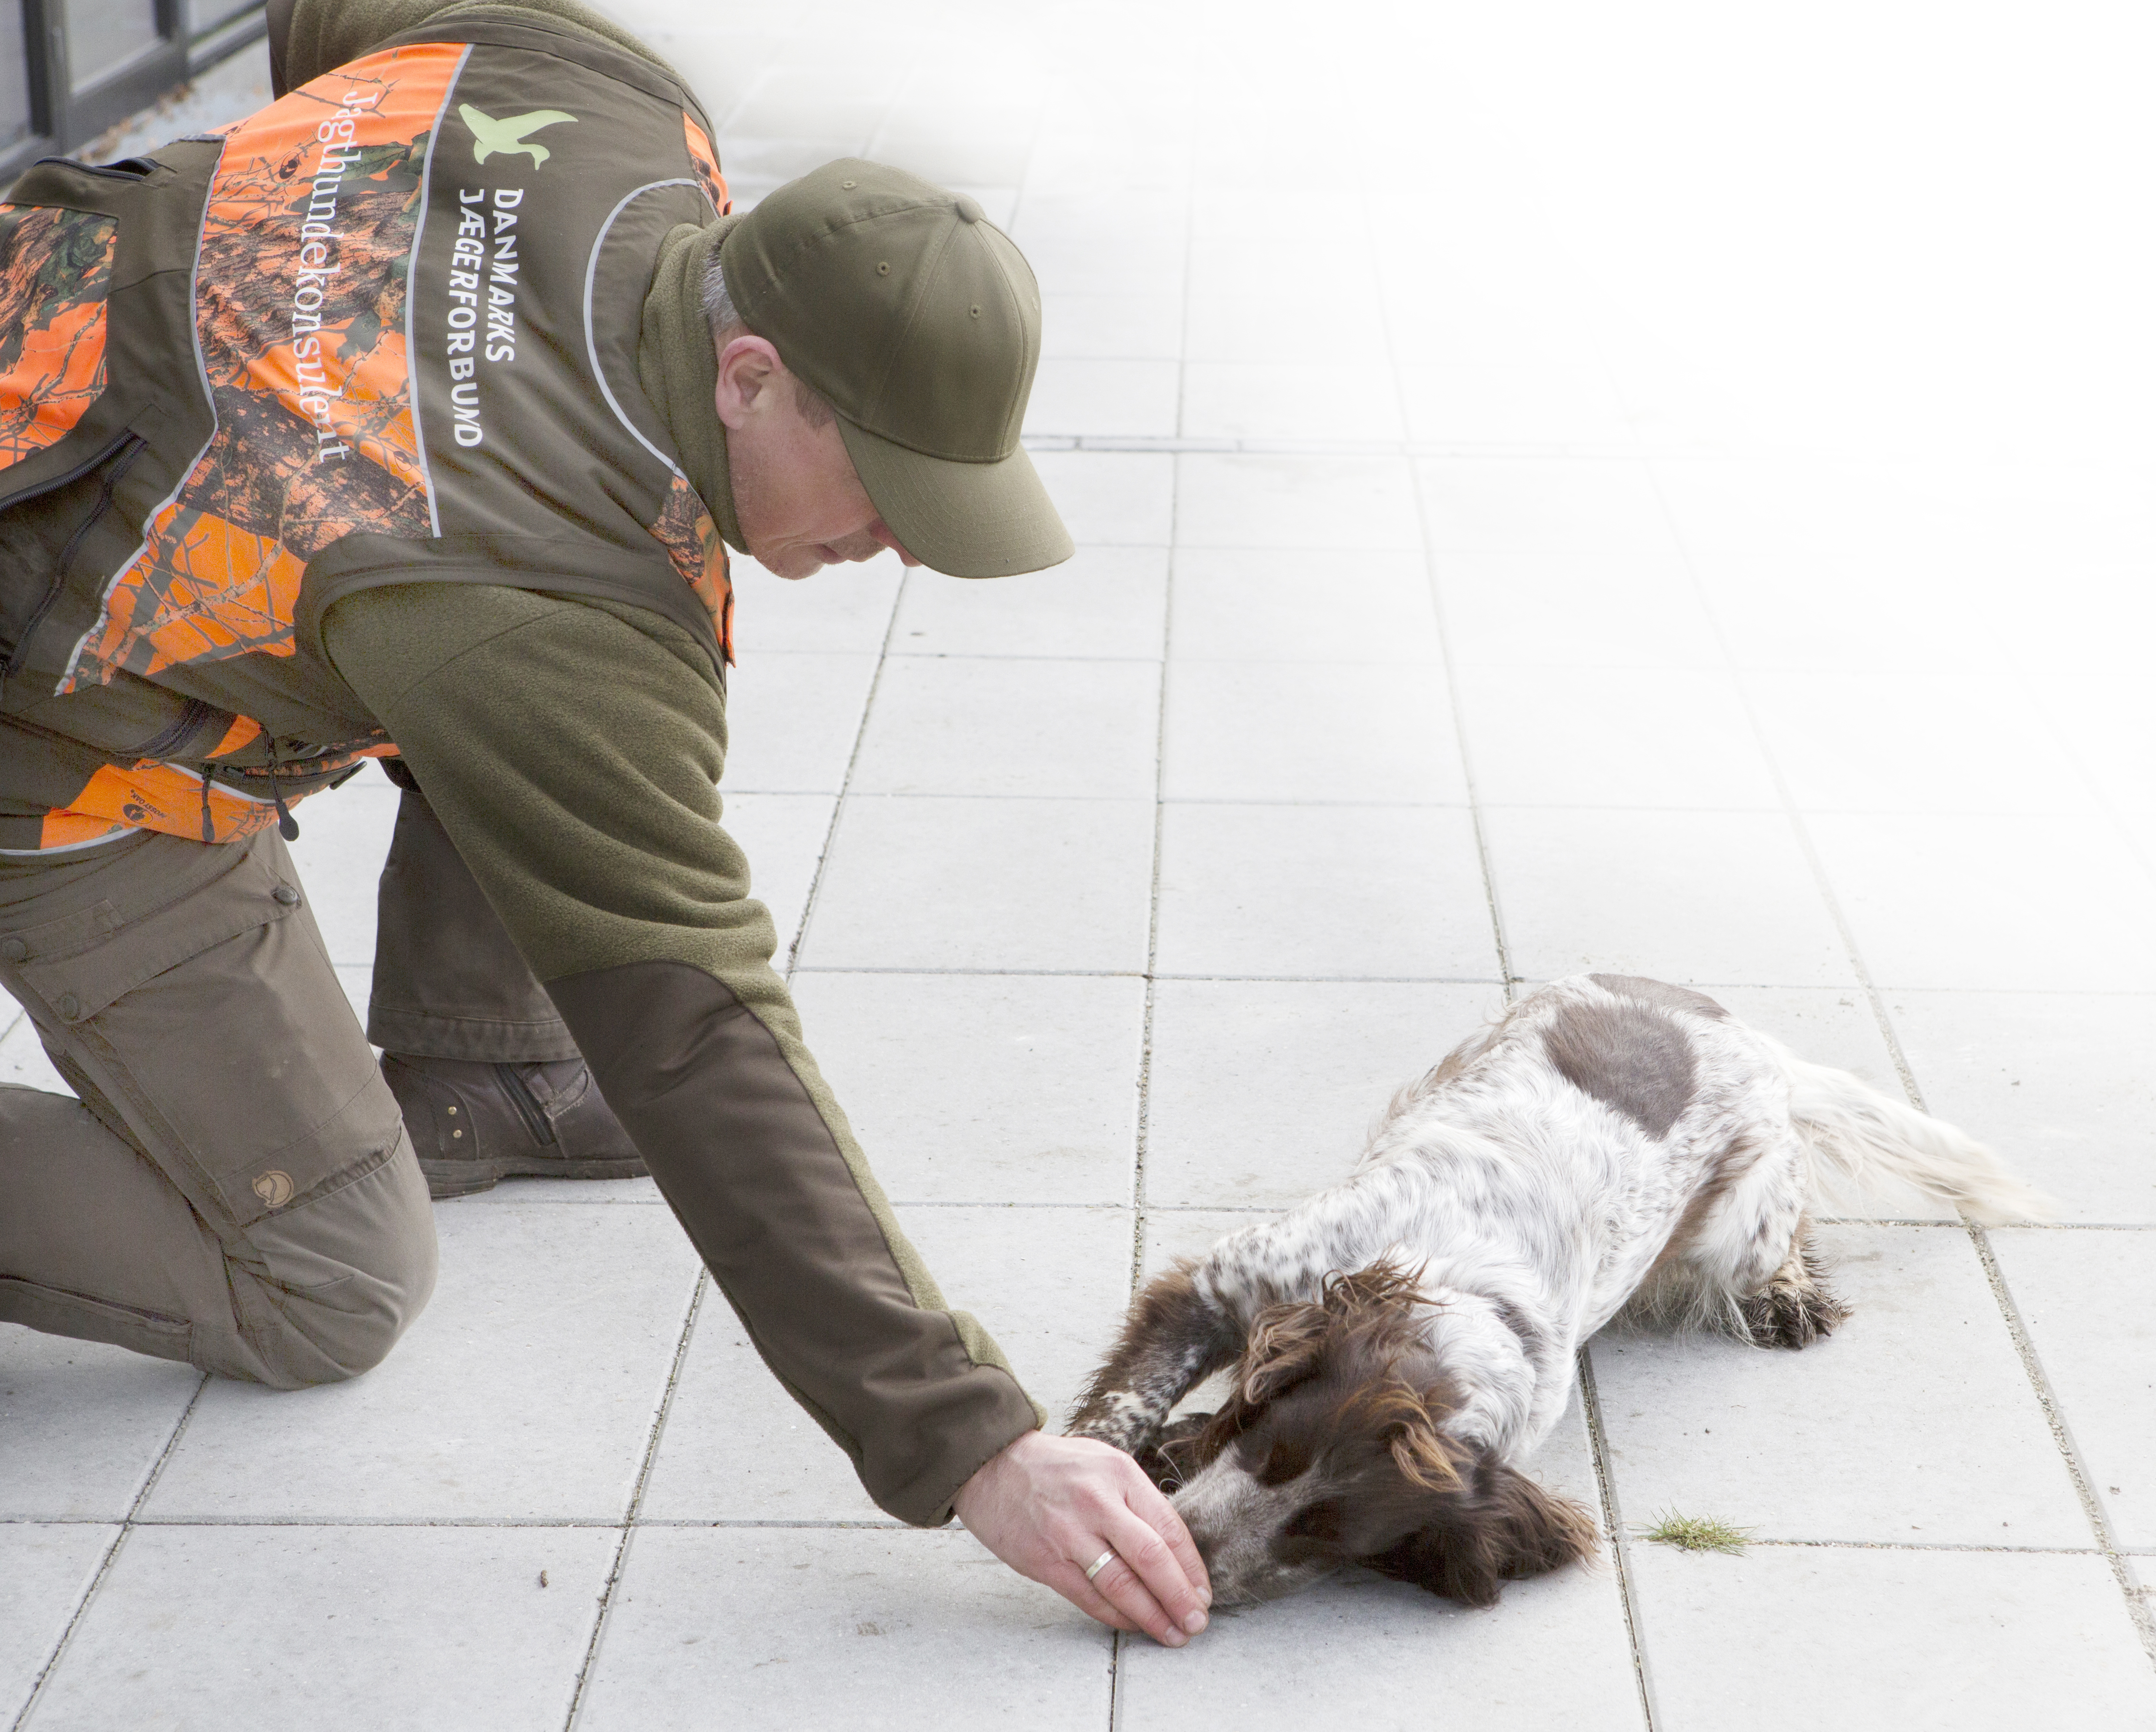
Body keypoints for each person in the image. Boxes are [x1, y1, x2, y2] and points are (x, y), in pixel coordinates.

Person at [0, 0, 1210, 1647]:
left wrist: (325, 305)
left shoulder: (600, 92)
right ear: (751, 369)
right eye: (888, 492)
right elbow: (698, 1030)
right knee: (333, 1282)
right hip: (53, 751)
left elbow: (322, 21)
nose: (904, 549)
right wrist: (972, 1441)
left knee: (547, 660)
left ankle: (479, 1061)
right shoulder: (526, 609)